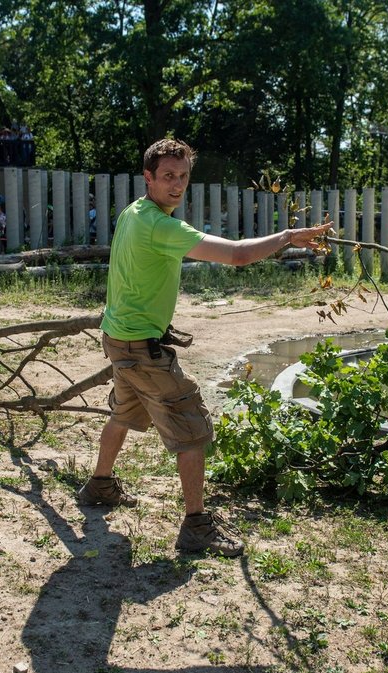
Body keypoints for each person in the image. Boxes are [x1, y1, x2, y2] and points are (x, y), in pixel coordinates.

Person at [77, 138, 332, 557]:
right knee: (192, 427)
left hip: (120, 339)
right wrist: (287, 236)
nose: (177, 185)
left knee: (124, 411)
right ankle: (197, 527)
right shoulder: (161, 225)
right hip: (139, 348)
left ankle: (99, 487)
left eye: (182, 176)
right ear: (149, 178)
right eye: (167, 177)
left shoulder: (134, 213)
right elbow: (236, 256)